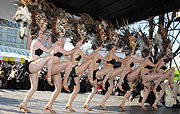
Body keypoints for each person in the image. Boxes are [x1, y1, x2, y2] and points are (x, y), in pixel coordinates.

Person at [19, 25, 55, 113]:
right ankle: (49, 76)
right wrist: (55, 46)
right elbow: (47, 51)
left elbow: (40, 54)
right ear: (35, 34)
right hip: (32, 65)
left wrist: (41, 67)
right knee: (50, 56)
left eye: (41, 33)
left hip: (33, 66)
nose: (41, 34)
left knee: (34, 88)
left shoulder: (37, 42)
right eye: (39, 33)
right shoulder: (36, 41)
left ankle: (24, 104)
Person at [45, 33, 78, 113]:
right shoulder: (56, 46)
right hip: (52, 68)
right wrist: (76, 48)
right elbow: (67, 53)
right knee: (69, 63)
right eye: (60, 37)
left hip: (56, 69)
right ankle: (65, 82)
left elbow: (63, 47)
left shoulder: (59, 45)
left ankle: (49, 105)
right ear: (56, 38)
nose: (62, 38)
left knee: (58, 89)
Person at [65, 37, 96, 112]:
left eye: (82, 42)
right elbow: (87, 57)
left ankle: (68, 104)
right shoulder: (78, 50)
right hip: (75, 69)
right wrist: (94, 53)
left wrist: (70, 63)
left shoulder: (73, 49)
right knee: (91, 61)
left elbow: (65, 55)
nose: (81, 43)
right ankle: (91, 78)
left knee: (77, 89)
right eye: (80, 42)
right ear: (76, 42)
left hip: (73, 69)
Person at [83, 39, 114, 111]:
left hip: (94, 72)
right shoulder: (96, 53)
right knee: (111, 69)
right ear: (99, 46)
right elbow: (105, 59)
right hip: (95, 72)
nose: (102, 47)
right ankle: (104, 81)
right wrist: (110, 54)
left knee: (94, 90)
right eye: (101, 46)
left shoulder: (93, 53)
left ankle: (86, 104)